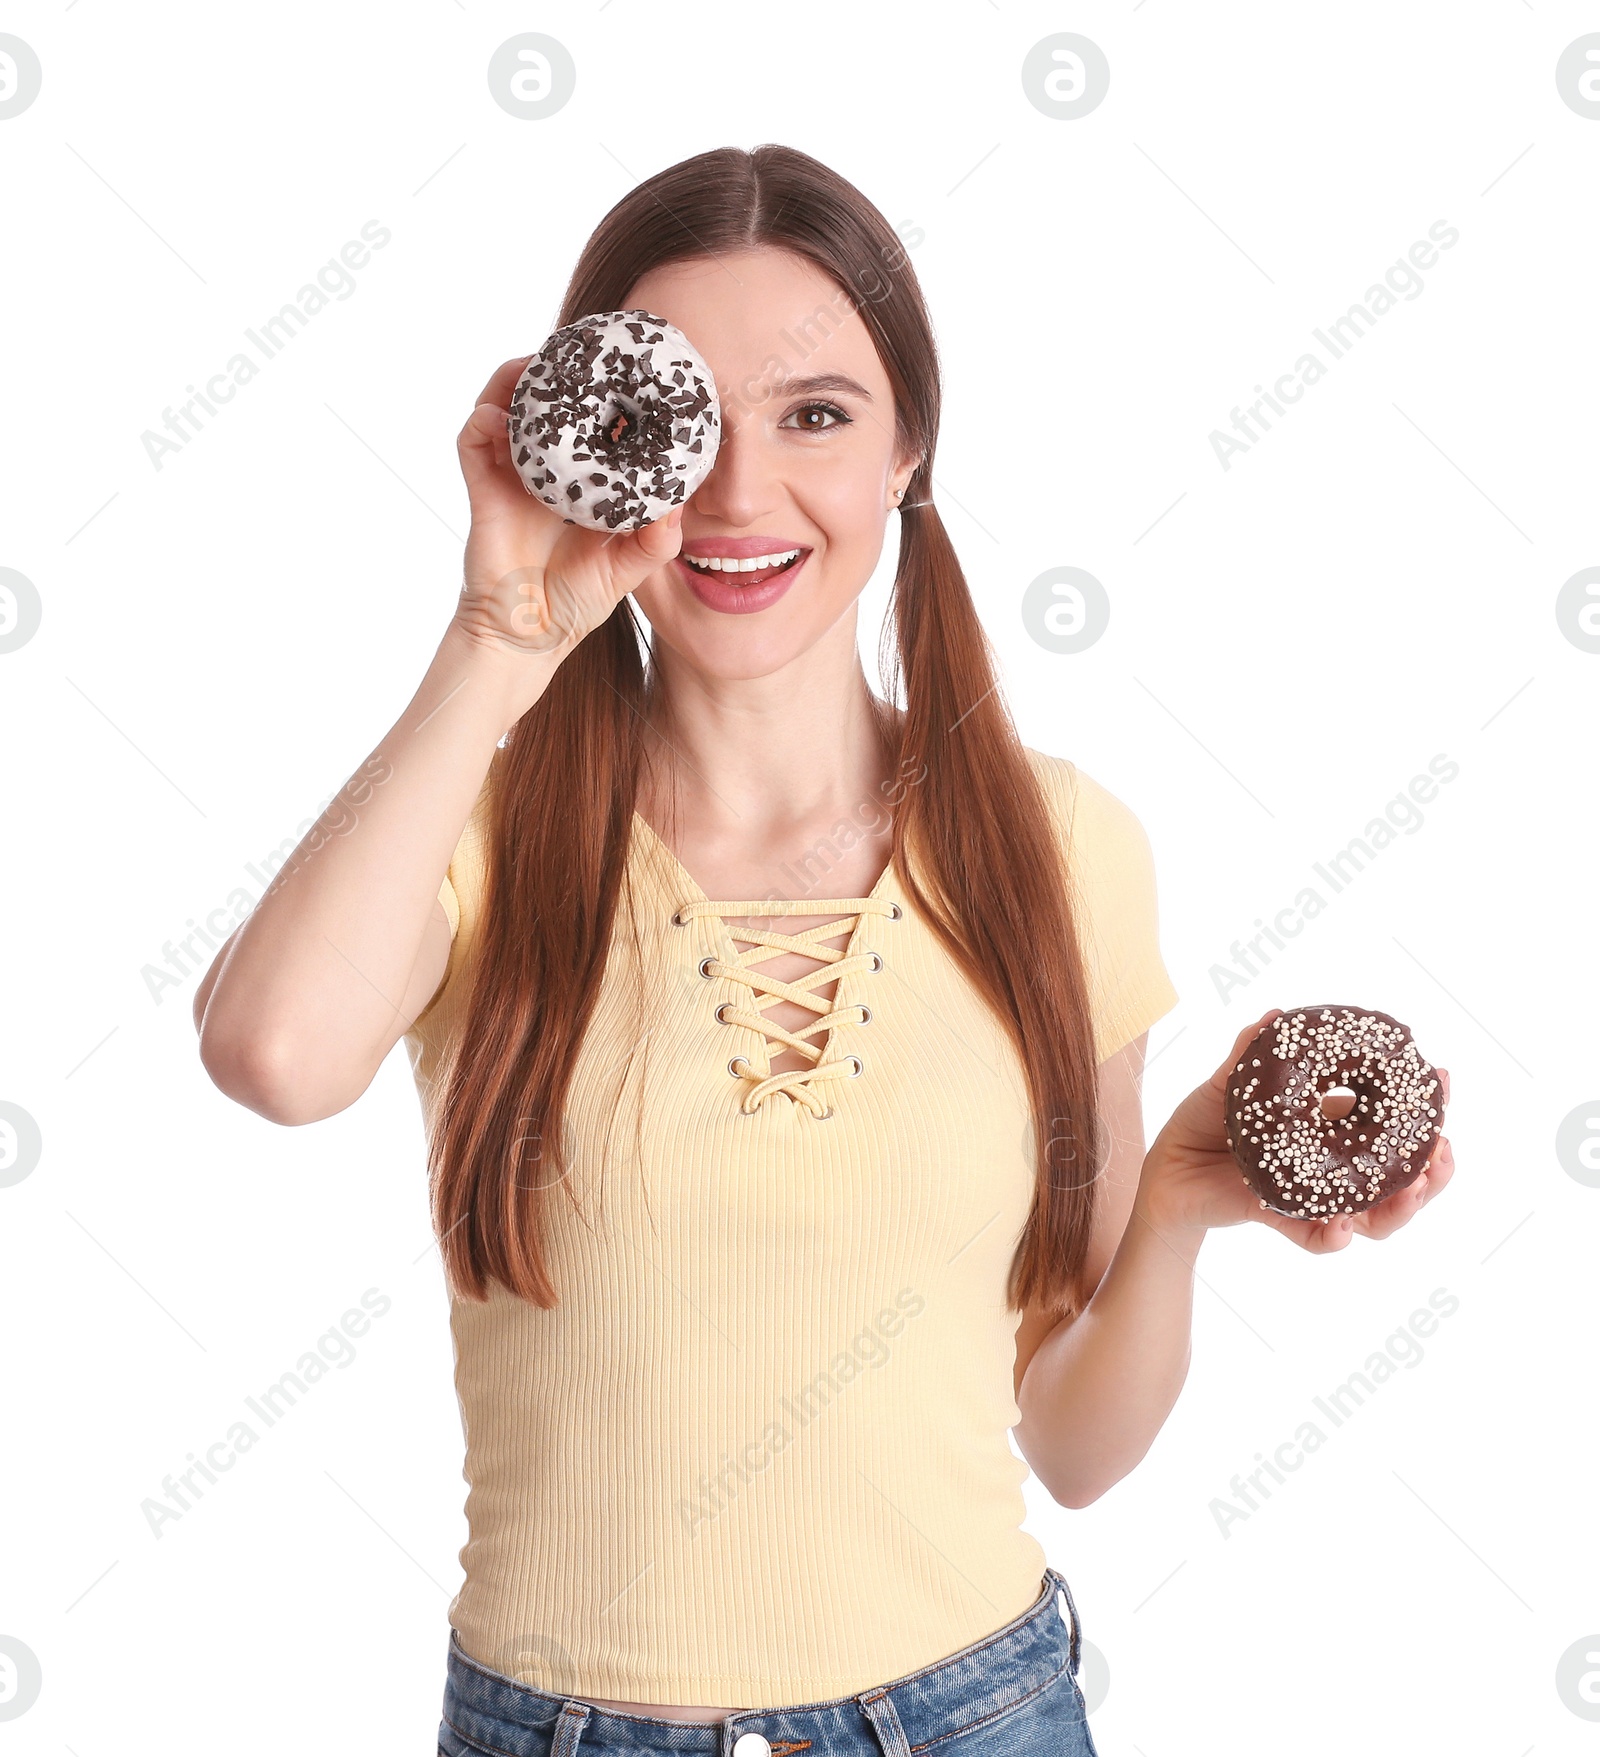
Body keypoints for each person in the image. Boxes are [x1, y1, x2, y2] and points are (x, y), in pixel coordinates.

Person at [193, 143, 1453, 1756]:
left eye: (814, 414)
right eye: (684, 421)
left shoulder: (1064, 851)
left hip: (977, 1711)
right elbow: (273, 1057)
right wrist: (500, 628)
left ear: (908, 448)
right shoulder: (477, 834)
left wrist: (1186, 1212)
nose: (735, 494)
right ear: (594, 452)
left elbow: (1070, 1436)